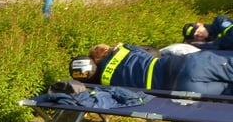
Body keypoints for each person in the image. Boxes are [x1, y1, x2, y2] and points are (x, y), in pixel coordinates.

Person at [80, 42, 233, 96]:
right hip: (184, 65)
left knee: (228, 90)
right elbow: (153, 51)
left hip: (182, 88)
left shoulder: (106, 82)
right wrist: (120, 47)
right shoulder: (124, 50)